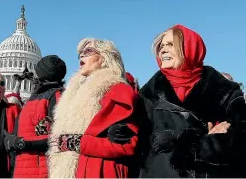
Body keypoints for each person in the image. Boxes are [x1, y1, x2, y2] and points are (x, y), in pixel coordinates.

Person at [139, 24, 246, 178]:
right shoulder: (148, 94)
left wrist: (193, 145)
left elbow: (240, 137)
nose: (163, 50)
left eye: (170, 44)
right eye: (161, 46)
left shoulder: (225, 91)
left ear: (190, 47)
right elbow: (136, 142)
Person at [47, 38, 140, 178]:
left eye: (88, 51)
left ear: (104, 58)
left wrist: (77, 142)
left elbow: (128, 145)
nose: (82, 55)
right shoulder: (73, 95)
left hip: (101, 171)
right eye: (81, 54)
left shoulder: (118, 91)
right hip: (76, 171)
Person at [3, 55, 66, 178]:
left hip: (41, 170)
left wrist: (21, 143)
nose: (34, 75)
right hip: (23, 167)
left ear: (42, 73)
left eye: (37, 71)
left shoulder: (57, 96)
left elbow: (60, 137)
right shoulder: (35, 97)